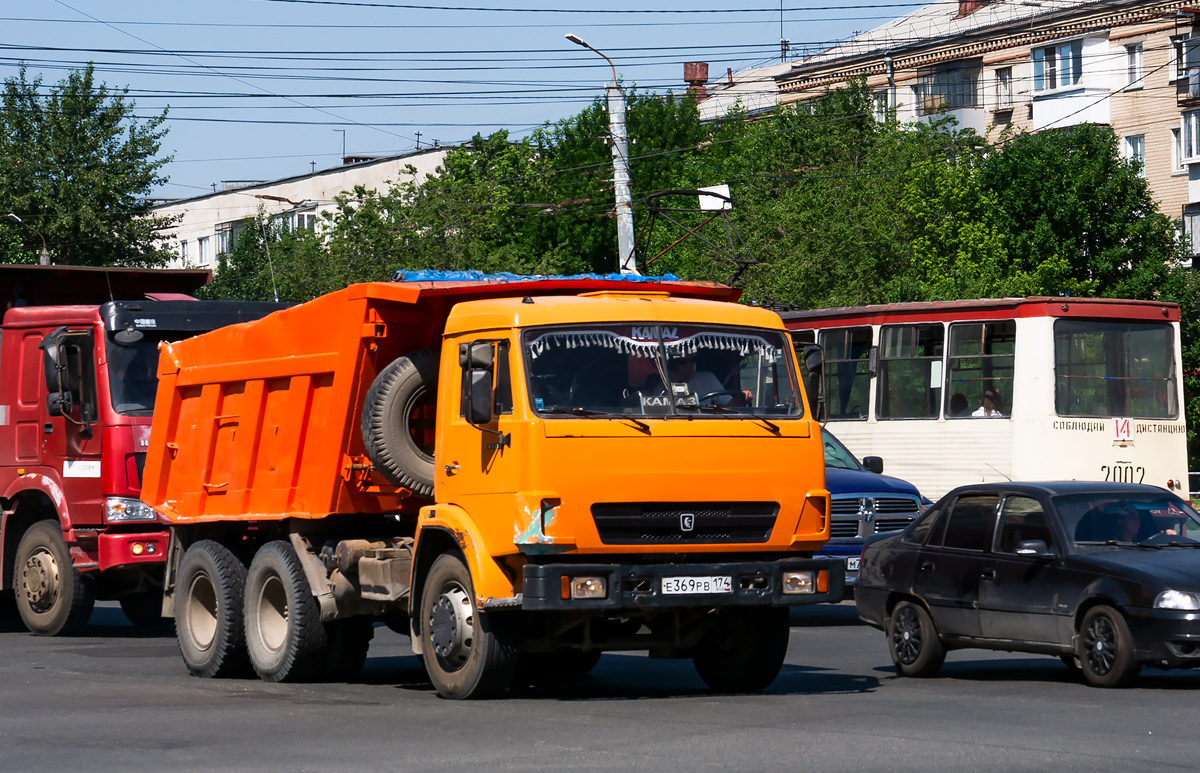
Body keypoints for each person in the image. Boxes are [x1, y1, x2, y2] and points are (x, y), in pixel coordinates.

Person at [666, 353, 750, 407]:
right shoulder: (663, 386)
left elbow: (732, 406)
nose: (689, 365)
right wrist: (673, 388)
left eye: (692, 360)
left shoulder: (707, 378)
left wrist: (744, 398)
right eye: (682, 362)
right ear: (672, 366)